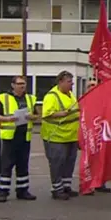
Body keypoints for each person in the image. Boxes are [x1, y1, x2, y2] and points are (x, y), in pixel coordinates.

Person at [0, 75, 39, 202]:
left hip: (24, 136)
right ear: (13, 85)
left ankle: (22, 190)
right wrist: (8, 119)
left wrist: (32, 117)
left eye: (24, 84)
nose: (22, 86)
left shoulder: (30, 98)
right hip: (10, 137)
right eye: (19, 84)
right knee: (6, 165)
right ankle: (3, 191)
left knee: (23, 165)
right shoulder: (4, 98)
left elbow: (37, 115)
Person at [41, 71, 80, 200]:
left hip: (71, 136)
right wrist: (61, 114)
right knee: (57, 163)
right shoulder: (52, 96)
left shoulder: (70, 95)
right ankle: (57, 189)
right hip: (56, 136)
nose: (72, 84)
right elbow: (46, 113)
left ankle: (66, 186)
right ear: (60, 82)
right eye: (69, 81)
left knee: (69, 162)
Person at [80, 78, 111, 195]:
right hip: (88, 136)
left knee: (101, 160)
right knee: (87, 161)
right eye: (90, 86)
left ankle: (99, 182)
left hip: (100, 135)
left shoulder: (102, 100)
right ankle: (86, 185)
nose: (92, 88)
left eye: (94, 85)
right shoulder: (84, 101)